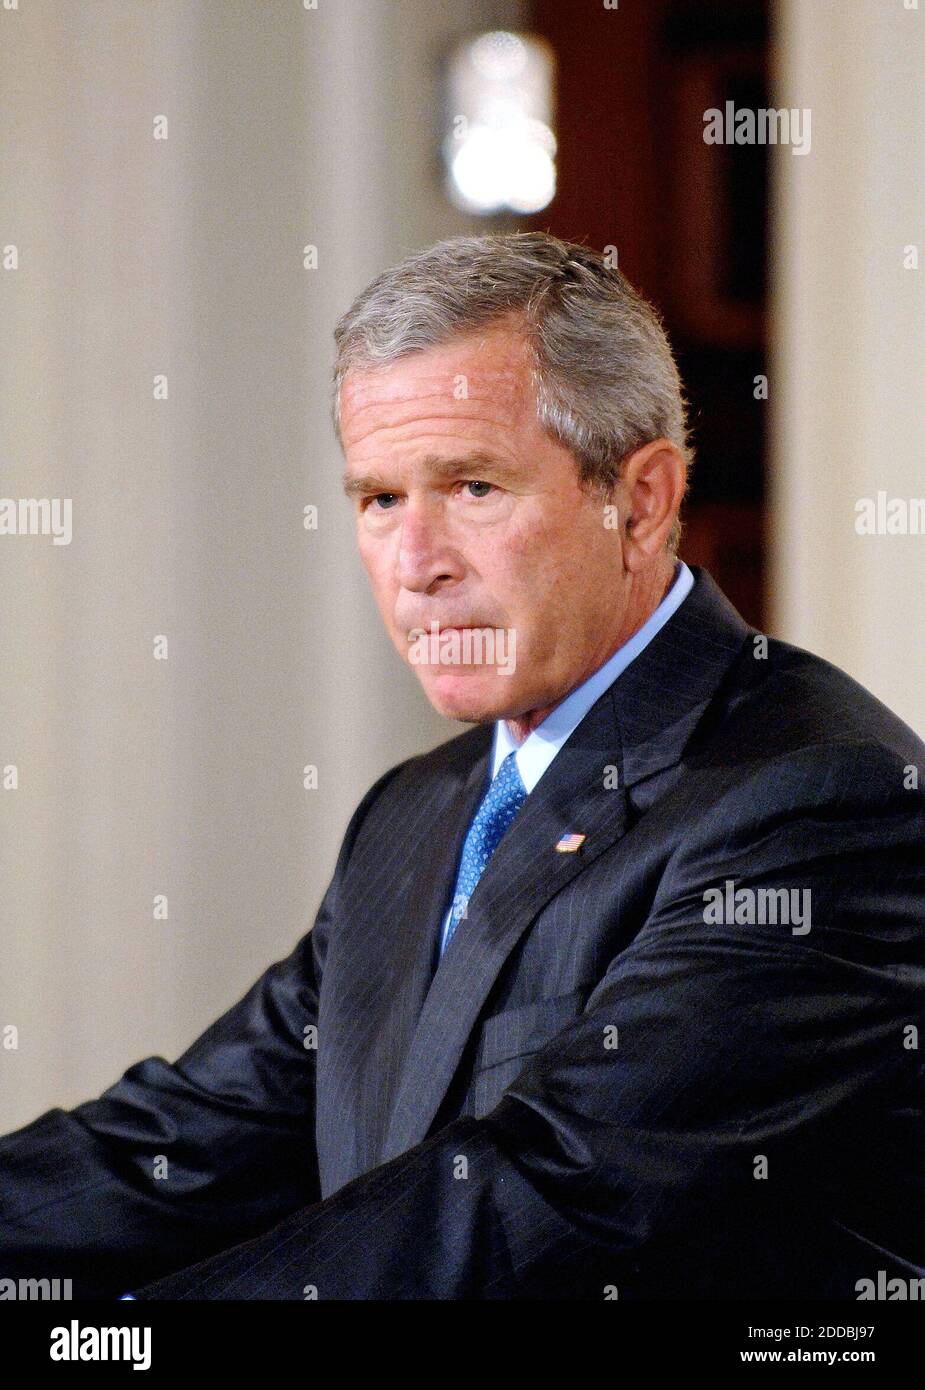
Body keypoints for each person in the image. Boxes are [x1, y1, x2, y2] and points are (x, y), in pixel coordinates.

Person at [2, 233, 923, 1300]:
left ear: (644, 497)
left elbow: (537, 1200)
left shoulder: (814, 802)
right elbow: (185, 1148)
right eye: (379, 499)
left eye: (473, 487)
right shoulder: (418, 810)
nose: (415, 564)